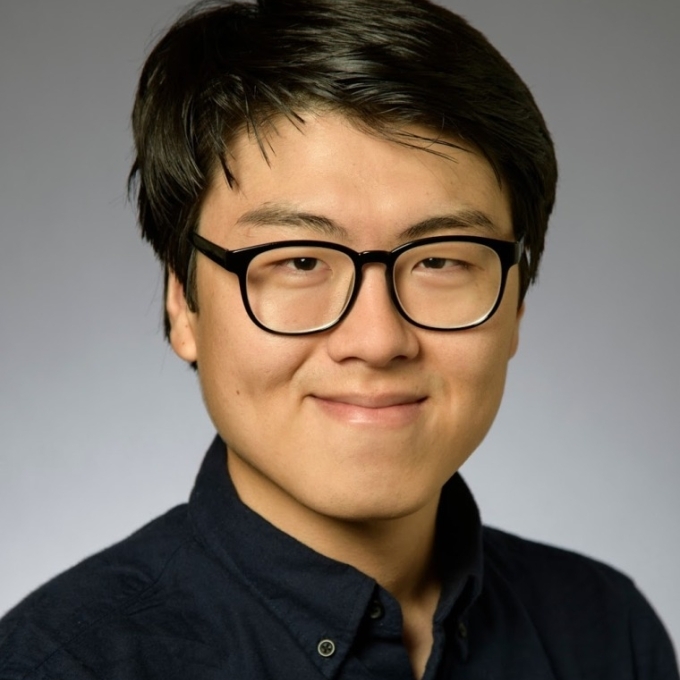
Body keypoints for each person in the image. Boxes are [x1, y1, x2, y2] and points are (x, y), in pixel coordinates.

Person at [0, 0, 677, 678]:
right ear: (184, 303)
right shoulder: (57, 665)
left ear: (517, 304)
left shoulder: (607, 634)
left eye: (440, 260)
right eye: (300, 260)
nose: (378, 339)